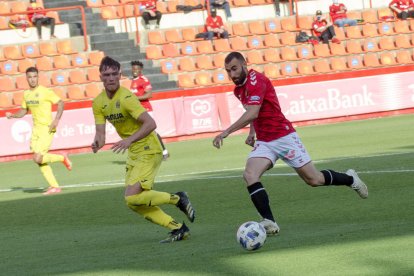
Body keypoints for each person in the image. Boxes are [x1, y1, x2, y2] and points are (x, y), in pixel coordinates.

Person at [212, 52, 368, 235]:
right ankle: (269, 221)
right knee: (250, 174)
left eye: (235, 69)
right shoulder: (239, 90)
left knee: (314, 179)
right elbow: (254, 112)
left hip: (283, 136)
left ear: (245, 65)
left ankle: (350, 179)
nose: (232, 75)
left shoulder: (257, 81)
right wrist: (253, 132)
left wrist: (226, 132)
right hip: (265, 141)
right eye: (228, 71)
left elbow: (253, 112)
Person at [92, 56, 195, 243]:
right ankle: (178, 228)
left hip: (148, 147)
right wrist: (96, 143)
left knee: (132, 197)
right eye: (107, 74)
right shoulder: (98, 102)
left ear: (120, 75)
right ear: (100, 77)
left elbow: (151, 123)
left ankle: (177, 199)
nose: (111, 78)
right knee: (133, 203)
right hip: (134, 152)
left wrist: (129, 140)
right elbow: (100, 134)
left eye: (115, 74)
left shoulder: (126, 97)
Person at [6, 67, 72, 195]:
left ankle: (61, 158)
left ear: (38, 77)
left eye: (34, 76)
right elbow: (24, 111)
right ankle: (54, 186)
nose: (32, 79)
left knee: (38, 158)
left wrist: (56, 120)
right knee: (39, 160)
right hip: (36, 129)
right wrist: (12, 115)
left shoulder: (45, 91)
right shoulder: (26, 94)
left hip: (47, 128)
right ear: (26, 78)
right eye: (30, 77)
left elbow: (60, 103)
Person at [130, 60, 170, 160]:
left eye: (137, 69)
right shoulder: (133, 81)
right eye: (133, 69)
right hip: (138, 111)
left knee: (151, 131)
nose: (135, 71)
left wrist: (135, 98)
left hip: (146, 109)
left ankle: (164, 151)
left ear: (140, 70)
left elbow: (149, 94)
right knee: (140, 133)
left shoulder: (143, 80)